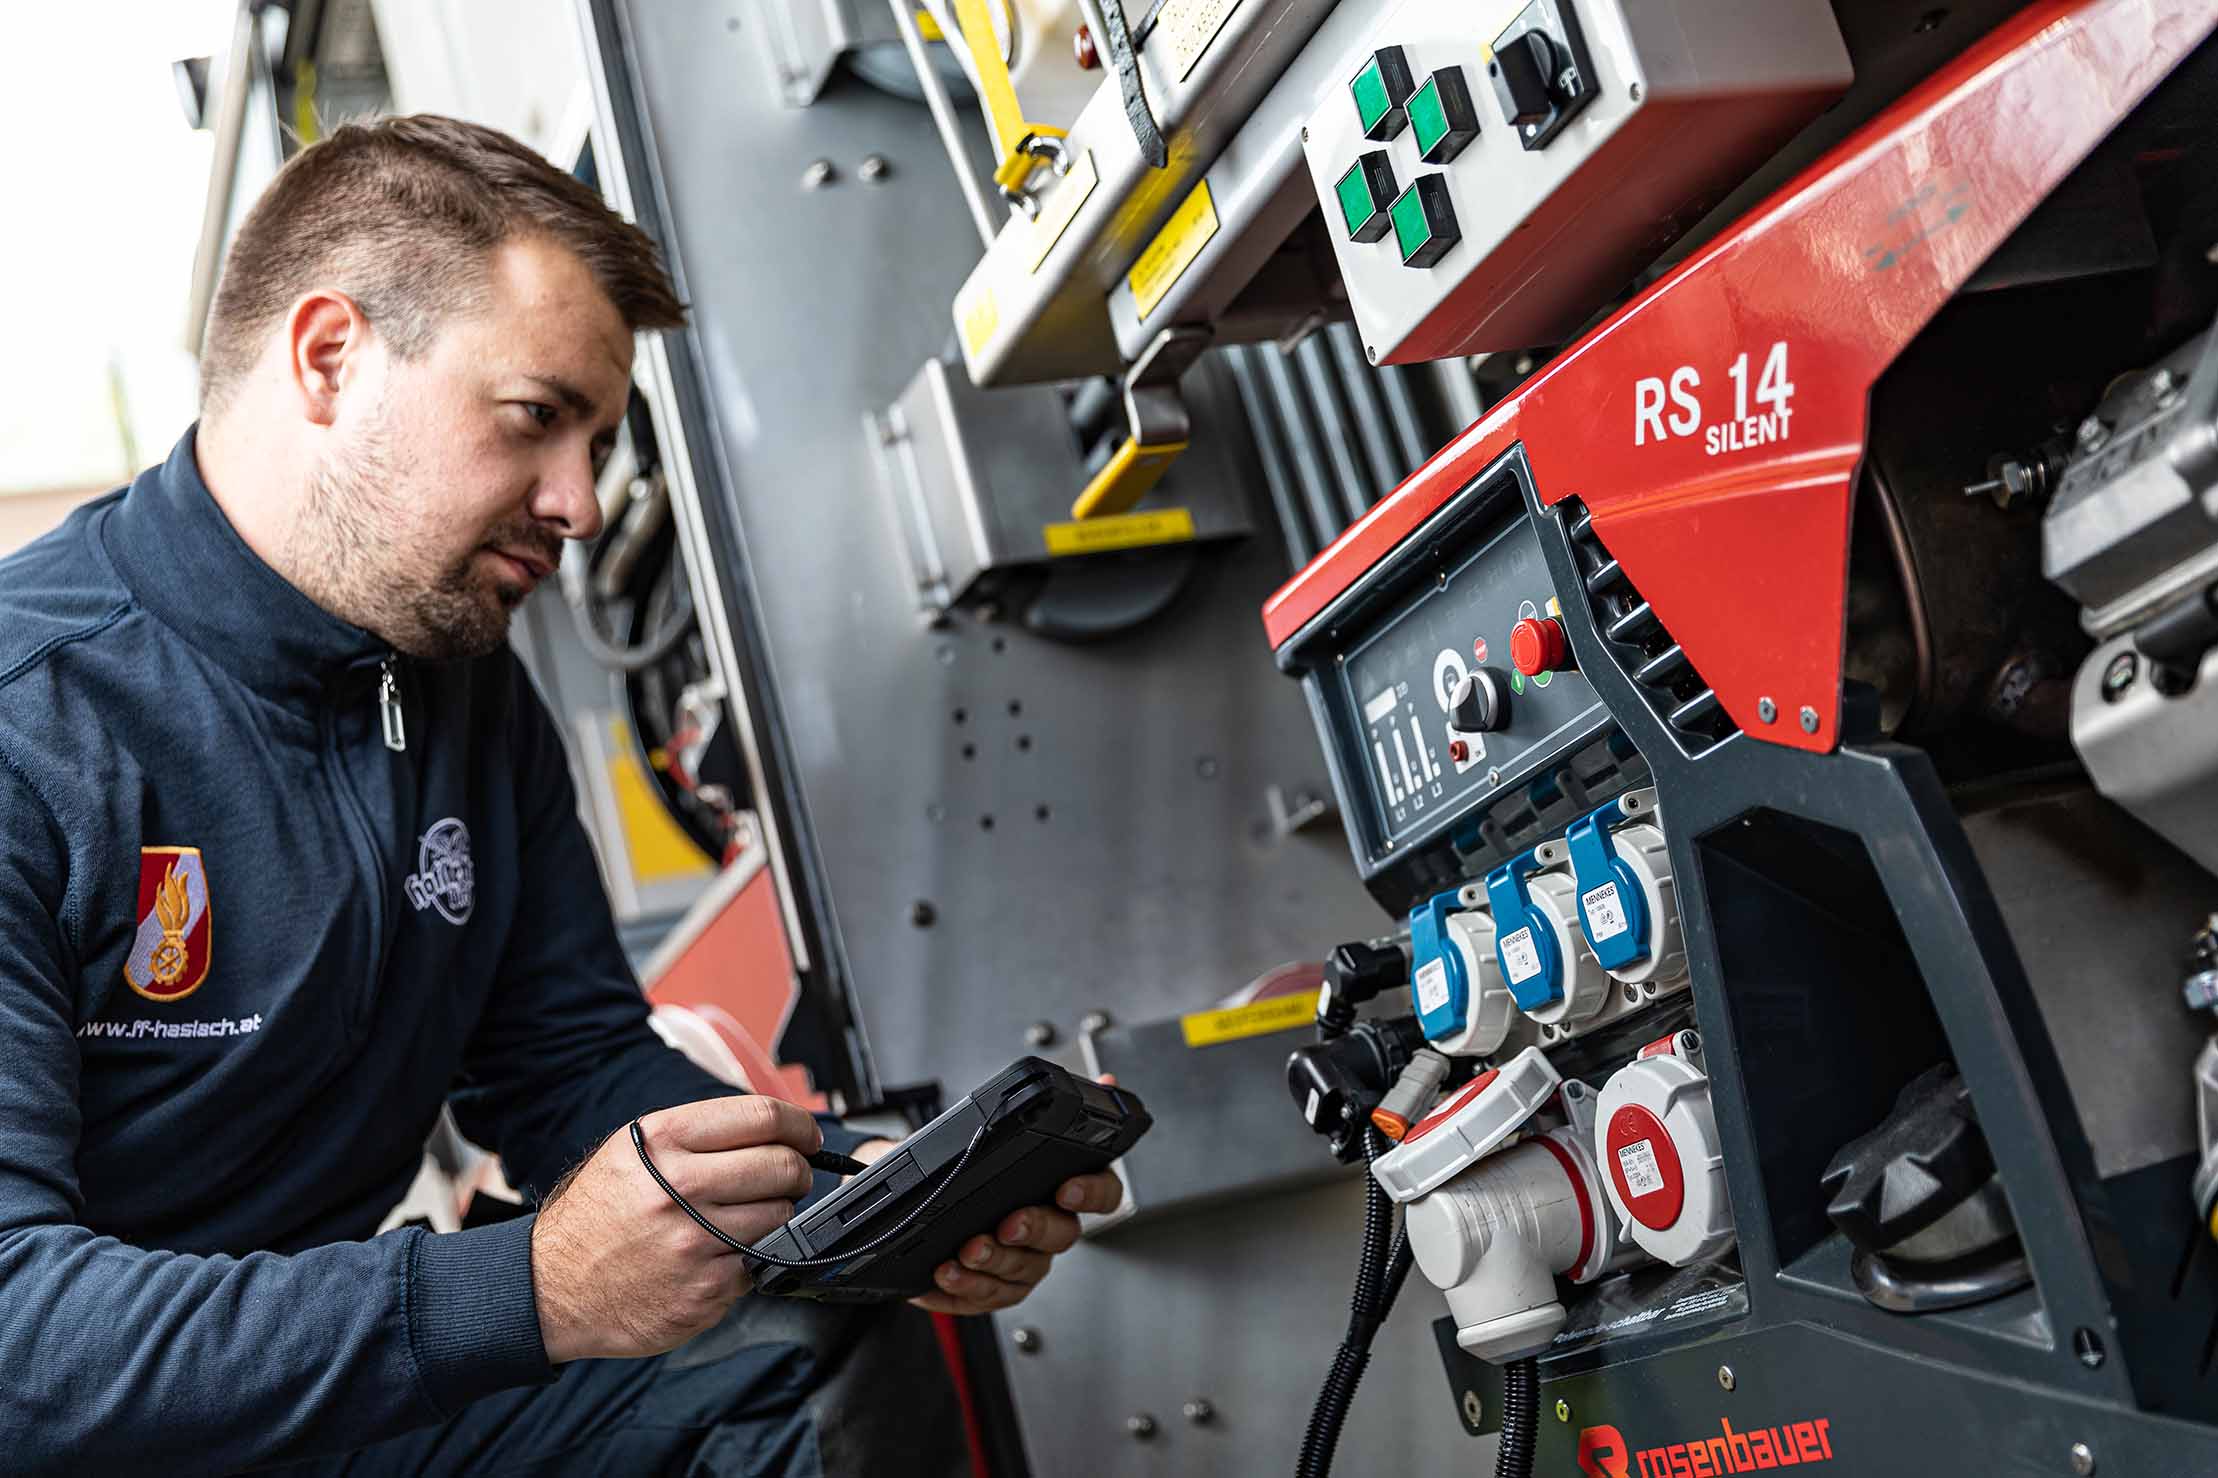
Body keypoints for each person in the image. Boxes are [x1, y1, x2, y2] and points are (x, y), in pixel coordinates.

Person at [0, 113, 1119, 1475]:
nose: (581, 503)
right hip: (86, 1425)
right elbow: (21, 1344)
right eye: (537, 419)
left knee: (805, 1338)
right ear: (329, 356)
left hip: (308, 1414)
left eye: (598, 440)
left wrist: (875, 1190)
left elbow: (570, 1068)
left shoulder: (462, 686)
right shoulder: (33, 729)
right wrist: (526, 1287)